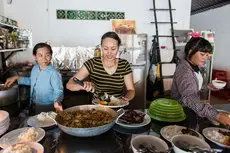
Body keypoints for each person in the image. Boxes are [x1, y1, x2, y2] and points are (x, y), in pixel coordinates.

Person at [171, 37, 230, 126]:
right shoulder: (184, 70)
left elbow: (193, 88)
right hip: (182, 112)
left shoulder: (193, 66)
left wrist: (208, 87)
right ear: (191, 51)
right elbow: (189, 97)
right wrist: (216, 115)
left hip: (192, 109)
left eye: (207, 55)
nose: (205, 58)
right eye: (202, 54)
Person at [66, 31, 135, 102]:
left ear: (118, 48)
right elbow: (69, 84)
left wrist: (126, 98)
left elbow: (131, 90)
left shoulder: (124, 65)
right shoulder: (92, 63)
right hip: (97, 108)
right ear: (101, 47)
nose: (109, 52)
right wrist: (82, 86)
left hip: (119, 105)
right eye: (105, 48)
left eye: (113, 49)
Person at [4, 43, 63, 113]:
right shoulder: (35, 68)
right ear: (35, 57)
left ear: (51, 56)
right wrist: (17, 78)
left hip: (48, 106)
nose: (44, 58)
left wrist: (57, 103)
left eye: (47, 55)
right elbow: (32, 81)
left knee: (45, 122)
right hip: (33, 103)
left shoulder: (54, 73)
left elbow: (58, 91)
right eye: (40, 55)